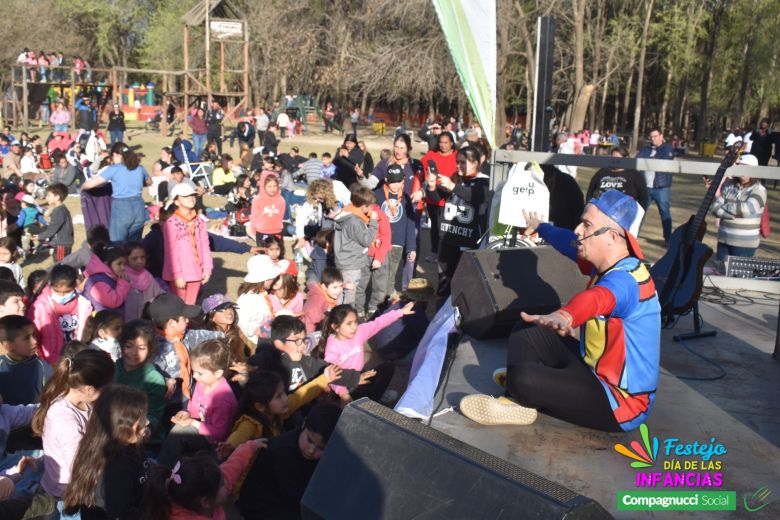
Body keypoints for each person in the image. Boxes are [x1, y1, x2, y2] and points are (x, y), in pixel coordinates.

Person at [460, 190, 661, 432]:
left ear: (613, 236)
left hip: (622, 402)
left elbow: (599, 298)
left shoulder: (628, 280)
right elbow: (567, 241)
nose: (578, 230)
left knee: (524, 378)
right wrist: (540, 227)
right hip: (592, 369)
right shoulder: (610, 262)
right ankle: (522, 395)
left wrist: (566, 315)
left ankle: (523, 389)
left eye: (586, 225)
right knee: (526, 329)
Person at [31, 349, 115, 516]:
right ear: (89, 389)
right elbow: (81, 468)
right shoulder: (65, 422)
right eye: (108, 387)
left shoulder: (82, 400)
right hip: (66, 498)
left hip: (78, 487)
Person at [238, 404, 342, 519]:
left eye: (321, 448)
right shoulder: (281, 452)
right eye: (309, 440)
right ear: (304, 424)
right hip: (263, 506)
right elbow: (295, 497)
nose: (311, 450)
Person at [61, 385, 149, 518]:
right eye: (141, 419)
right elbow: (122, 514)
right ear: (122, 426)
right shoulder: (116, 469)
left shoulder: (126, 445)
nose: (147, 422)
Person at [425, 145, 490, 302]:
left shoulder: (484, 182)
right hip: (448, 239)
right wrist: (432, 186)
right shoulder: (455, 177)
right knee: (443, 282)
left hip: (467, 243)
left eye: (463, 162)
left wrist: (453, 186)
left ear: (475, 163)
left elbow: (476, 196)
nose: (458, 166)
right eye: (457, 162)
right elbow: (436, 198)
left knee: (462, 285)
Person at [143, 439, 263, 520]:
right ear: (205, 502)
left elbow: (232, 467)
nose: (226, 482)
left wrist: (250, 446)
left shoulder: (205, 488)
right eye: (221, 484)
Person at [320, 302, 414, 402]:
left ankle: (373, 397)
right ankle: (369, 401)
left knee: (387, 368)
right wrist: (344, 394)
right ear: (335, 327)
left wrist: (400, 312)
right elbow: (332, 376)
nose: (354, 327)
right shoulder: (332, 347)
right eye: (349, 324)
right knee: (360, 395)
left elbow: (378, 323)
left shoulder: (359, 332)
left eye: (355, 322)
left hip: (361, 375)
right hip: (345, 384)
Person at [81, 143, 152, 243]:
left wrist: (82, 187)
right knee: (135, 245)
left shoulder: (114, 169)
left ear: (116, 155)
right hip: (139, 206)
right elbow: (149, 182)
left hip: (121, 207)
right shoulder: (139, 168)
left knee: (117, 244)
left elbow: (90, 184)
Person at [115, 319, 167, 447]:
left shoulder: (154, 379)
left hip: (142, 440)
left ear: (150, 350)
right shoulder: (113, 368)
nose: (134, 352)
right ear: (121, 346)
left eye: (141, 348)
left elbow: (154, 415)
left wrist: (143, 433)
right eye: (129, 346)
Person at [29, 264, 93, 363]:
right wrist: (42, 360)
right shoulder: (40, 307)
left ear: (75, 285)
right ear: (51, 285)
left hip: (77, 358)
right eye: (57, 291)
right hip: (50, 362)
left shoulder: (84, 305)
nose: (62, 295)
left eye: (67, 291)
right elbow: (33, 336)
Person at [710, 154, 767, 261]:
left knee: (738, 276)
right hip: (723, 240)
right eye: (739, 166)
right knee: (720, 274)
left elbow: (745, 210)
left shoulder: (759, 190)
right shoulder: (729, 186)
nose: (740, 170)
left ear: (753, 170)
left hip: (744, 244)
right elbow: (714, 208)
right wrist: (732, 215)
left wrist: (724, 205)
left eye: (744, 167)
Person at [163, 183, 212, 305]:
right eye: (185, 196)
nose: (191, 198)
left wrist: (207, 269)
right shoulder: (171, 223)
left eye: (192, 195)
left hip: (196, 271)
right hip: (179, 274)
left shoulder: (200, 221)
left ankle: (188, 324)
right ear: (176, 201)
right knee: (178, 306)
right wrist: (177, 275)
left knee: (190, 306)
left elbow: (205, 247)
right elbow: (171, 252)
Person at [333, 188, 378, 305]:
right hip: (352, 264)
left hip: (343, 261)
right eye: (370, 206)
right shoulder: (355, 221)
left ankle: (338, 317)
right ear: (363, 207)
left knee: (340, 293)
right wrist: (373, 222)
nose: (371, 209)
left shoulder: (345, 214)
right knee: (349, 295)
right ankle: (345, 319)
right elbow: (366, 240)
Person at [421, 131, 457, 262]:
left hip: (450, 198)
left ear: (452, 143)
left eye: (446, 142)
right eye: (441, 142)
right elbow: (421, 165)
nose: (443, 145)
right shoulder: (432, 154)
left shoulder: (457, 155)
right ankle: (434, 251)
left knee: (448, 228)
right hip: (433, 197)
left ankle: (445, 253)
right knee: (435, 227)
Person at [0, 314, 51, 405]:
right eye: (26, 338)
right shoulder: (1, 365)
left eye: (34, 335)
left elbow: (51, 397)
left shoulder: (42, 366)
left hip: (35, 417)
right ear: (8, 345)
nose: (34, 341)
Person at [637, 127, 675, 243]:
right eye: (651, 136)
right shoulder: (646, 149)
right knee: (640, 213)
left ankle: (668, 240)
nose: (653, 139)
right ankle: (634, 237)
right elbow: (638, 160)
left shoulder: (667, 148)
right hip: (646, 187)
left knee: (665, 214)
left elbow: (664, 161)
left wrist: (649, 159)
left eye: (655, 136)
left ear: (661, 136)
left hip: (661, 187)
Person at [237, 254, 284, 345]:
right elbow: (246, 327)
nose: (274, 279)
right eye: (273, 277)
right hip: (255, 344)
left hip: (265, 339)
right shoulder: (247, 299)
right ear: (265, 279)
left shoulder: (260, 294)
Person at [82, 243, 131, 313]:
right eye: (119, 264)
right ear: (106, 264)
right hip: (103, 322)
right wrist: (123, 284)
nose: (123, 268)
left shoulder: (112, 277)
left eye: (124, 264)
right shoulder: (97, 282)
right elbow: (113, 302)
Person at [250, 173, 286, 245]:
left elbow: (281, 215)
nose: (272, 189)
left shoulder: (281, 200)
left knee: (277, 253)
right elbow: (254, 216)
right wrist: (253, 229)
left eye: (275, 186)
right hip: (262, 231)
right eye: (269, 186)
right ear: (263, 186)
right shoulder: (258, 200)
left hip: (277, 231)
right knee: (263, 253)